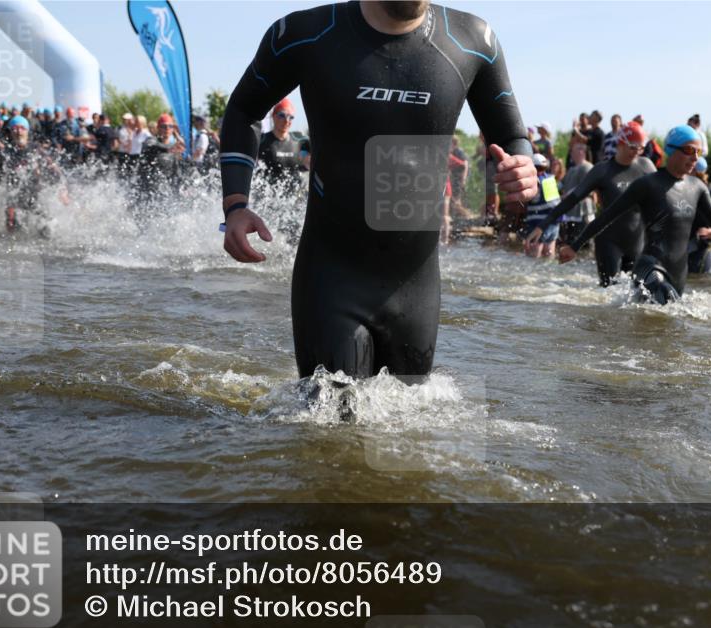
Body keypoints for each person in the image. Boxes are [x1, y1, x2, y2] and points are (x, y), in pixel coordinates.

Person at [219, 0, 536, 380]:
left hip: (415, 287)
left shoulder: (472, 41)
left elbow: (512, 136)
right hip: (331, 277)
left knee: (405, 432)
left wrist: (524, 166)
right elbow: (243, 110)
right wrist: (236, 204)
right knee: (331, 427)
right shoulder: (305, 34)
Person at [558, 125, 711, 304]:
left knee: (666, 324)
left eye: (698, 152)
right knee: (662, 301)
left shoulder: (698, 187)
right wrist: (574, 246)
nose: (695, 158)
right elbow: (606, 216)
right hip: (649, 268)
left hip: (679, 273)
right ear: (672, 150)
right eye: (689, 150)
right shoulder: (647, 184)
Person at [531, 120, 655, 286]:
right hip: (609, 241)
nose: (637, 152)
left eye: (640, 148)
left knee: (637, 294)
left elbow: (661, 200)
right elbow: (573, 198)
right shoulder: (602, 171)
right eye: (632, 147)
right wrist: (544, 224)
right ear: (620, 143)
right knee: (609, 291)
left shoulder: (646, 166)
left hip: (637, 241)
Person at [0, 116, 66, 238]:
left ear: (27, 131)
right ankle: (11, 251)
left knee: (45, 228)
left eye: (22, 128)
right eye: (15, 128)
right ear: (10, 132)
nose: (18, 131)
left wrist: (63, 190)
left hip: (34, 194)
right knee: (11, 221)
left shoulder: (36, 150)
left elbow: (55, 170)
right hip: (13, 194)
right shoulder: (4, 153)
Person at [521, 153, 561, 257]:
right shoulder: (550, 179)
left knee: (533, 259)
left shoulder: (535, 182)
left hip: (538, 224)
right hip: (554, 223)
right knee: (548, 256)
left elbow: (529, 200)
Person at [257, 98, 302, 186]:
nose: (286, 120)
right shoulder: (261, 140)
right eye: (282, 115)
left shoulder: (298, 142)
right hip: (267, 197)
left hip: (292, 198)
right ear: (273, 116)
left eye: (290, 117)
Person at [556, 143, 595, 242]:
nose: (571, 154)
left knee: (583, 243)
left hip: (584, 211)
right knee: (570, 241)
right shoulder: (572, 169)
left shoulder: (587, 167)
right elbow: (560, 185)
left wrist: (567, 195)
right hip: (571, 211)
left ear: (581, 152)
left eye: (573, 151)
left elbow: (586, 187)